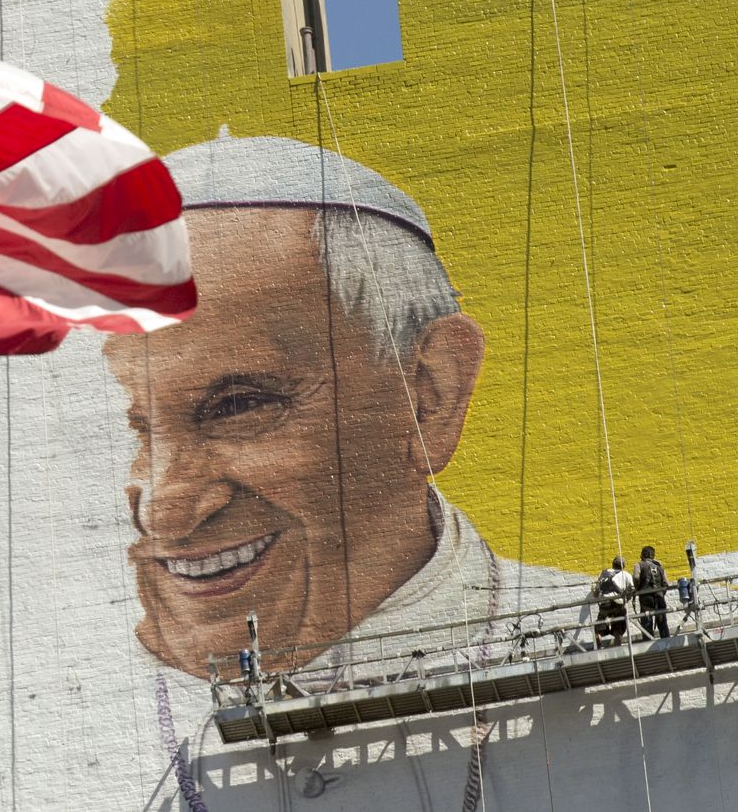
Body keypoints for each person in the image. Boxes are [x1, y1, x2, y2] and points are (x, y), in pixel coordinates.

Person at [104, 132, 573, 682]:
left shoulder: (624, 652)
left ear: (429, 396)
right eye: (123, 428)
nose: (165, 511)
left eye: (239, 407)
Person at [592, 556, 635, 646]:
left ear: (613, 564)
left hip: (605, 601)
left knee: (601, 622)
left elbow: (596, 590)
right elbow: (632, 589)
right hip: (618, 603)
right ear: (623, 565)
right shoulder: (626, 574)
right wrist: (626, 600)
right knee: (618, 628)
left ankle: (599, 637)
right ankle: (617, 646)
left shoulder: (604, 573)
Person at [633, 545, 670, 638]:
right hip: (659, 597)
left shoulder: (639, 565)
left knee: (646, 622)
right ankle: (666, 641)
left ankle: (648, 642)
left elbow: (636, 577)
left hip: (646, 597)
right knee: (662, 622)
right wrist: (661, 592)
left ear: (642, 555)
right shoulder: (660, 566)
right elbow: (666, 583)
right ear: (653, 555)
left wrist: (638, 588)